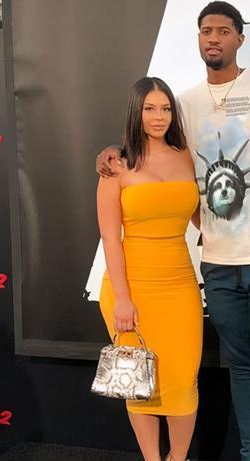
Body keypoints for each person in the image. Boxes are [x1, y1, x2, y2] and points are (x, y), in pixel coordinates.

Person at [97, 3, 250, 460]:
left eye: (224, 31)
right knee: (240, 366)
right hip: (218, 264)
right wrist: (112, 151)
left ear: (240, 38)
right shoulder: (185, 104)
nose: (214, 38)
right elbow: (155, 153)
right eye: (206, 30)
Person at [97, 76, 202, 461]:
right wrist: (123, 299)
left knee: (183, 383)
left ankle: (177, 458)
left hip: (180, 284)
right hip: (131, 288)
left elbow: (201, 217)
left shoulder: (187, 154)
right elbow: (110, 238)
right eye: (150, 108)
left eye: (166, 108)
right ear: (136, 112)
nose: (159, 117)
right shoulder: (116, 165)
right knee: (139, 382)